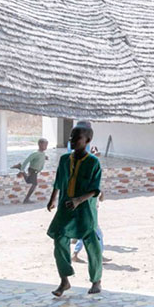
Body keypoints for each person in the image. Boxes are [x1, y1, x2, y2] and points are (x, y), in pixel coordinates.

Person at [46, 122, 103, 296]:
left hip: (85, 209)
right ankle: (64, 280)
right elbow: (58, 181)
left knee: (91, 243)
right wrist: (52, 199)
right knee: (59, 238)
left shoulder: (93, 162)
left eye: (77, 138)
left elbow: (95, 189)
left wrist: (79, 200)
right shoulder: (64, 160)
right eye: (71, 138)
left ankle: (96, 280)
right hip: (65, 206)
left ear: (88, 140)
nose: (72, 141)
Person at [12, 137, 51, 203]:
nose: (46, 147)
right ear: (40, 144)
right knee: (34, 184)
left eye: (47, 145)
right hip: (33, 170)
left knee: (28, 181)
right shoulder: (35, 153)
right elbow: (26, 161)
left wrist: (45, 157)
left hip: (35, 171)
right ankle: (26, 199)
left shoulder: (42, 153)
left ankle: (19, 166)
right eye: (45, 145)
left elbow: (41, 157)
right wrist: (22, 170)